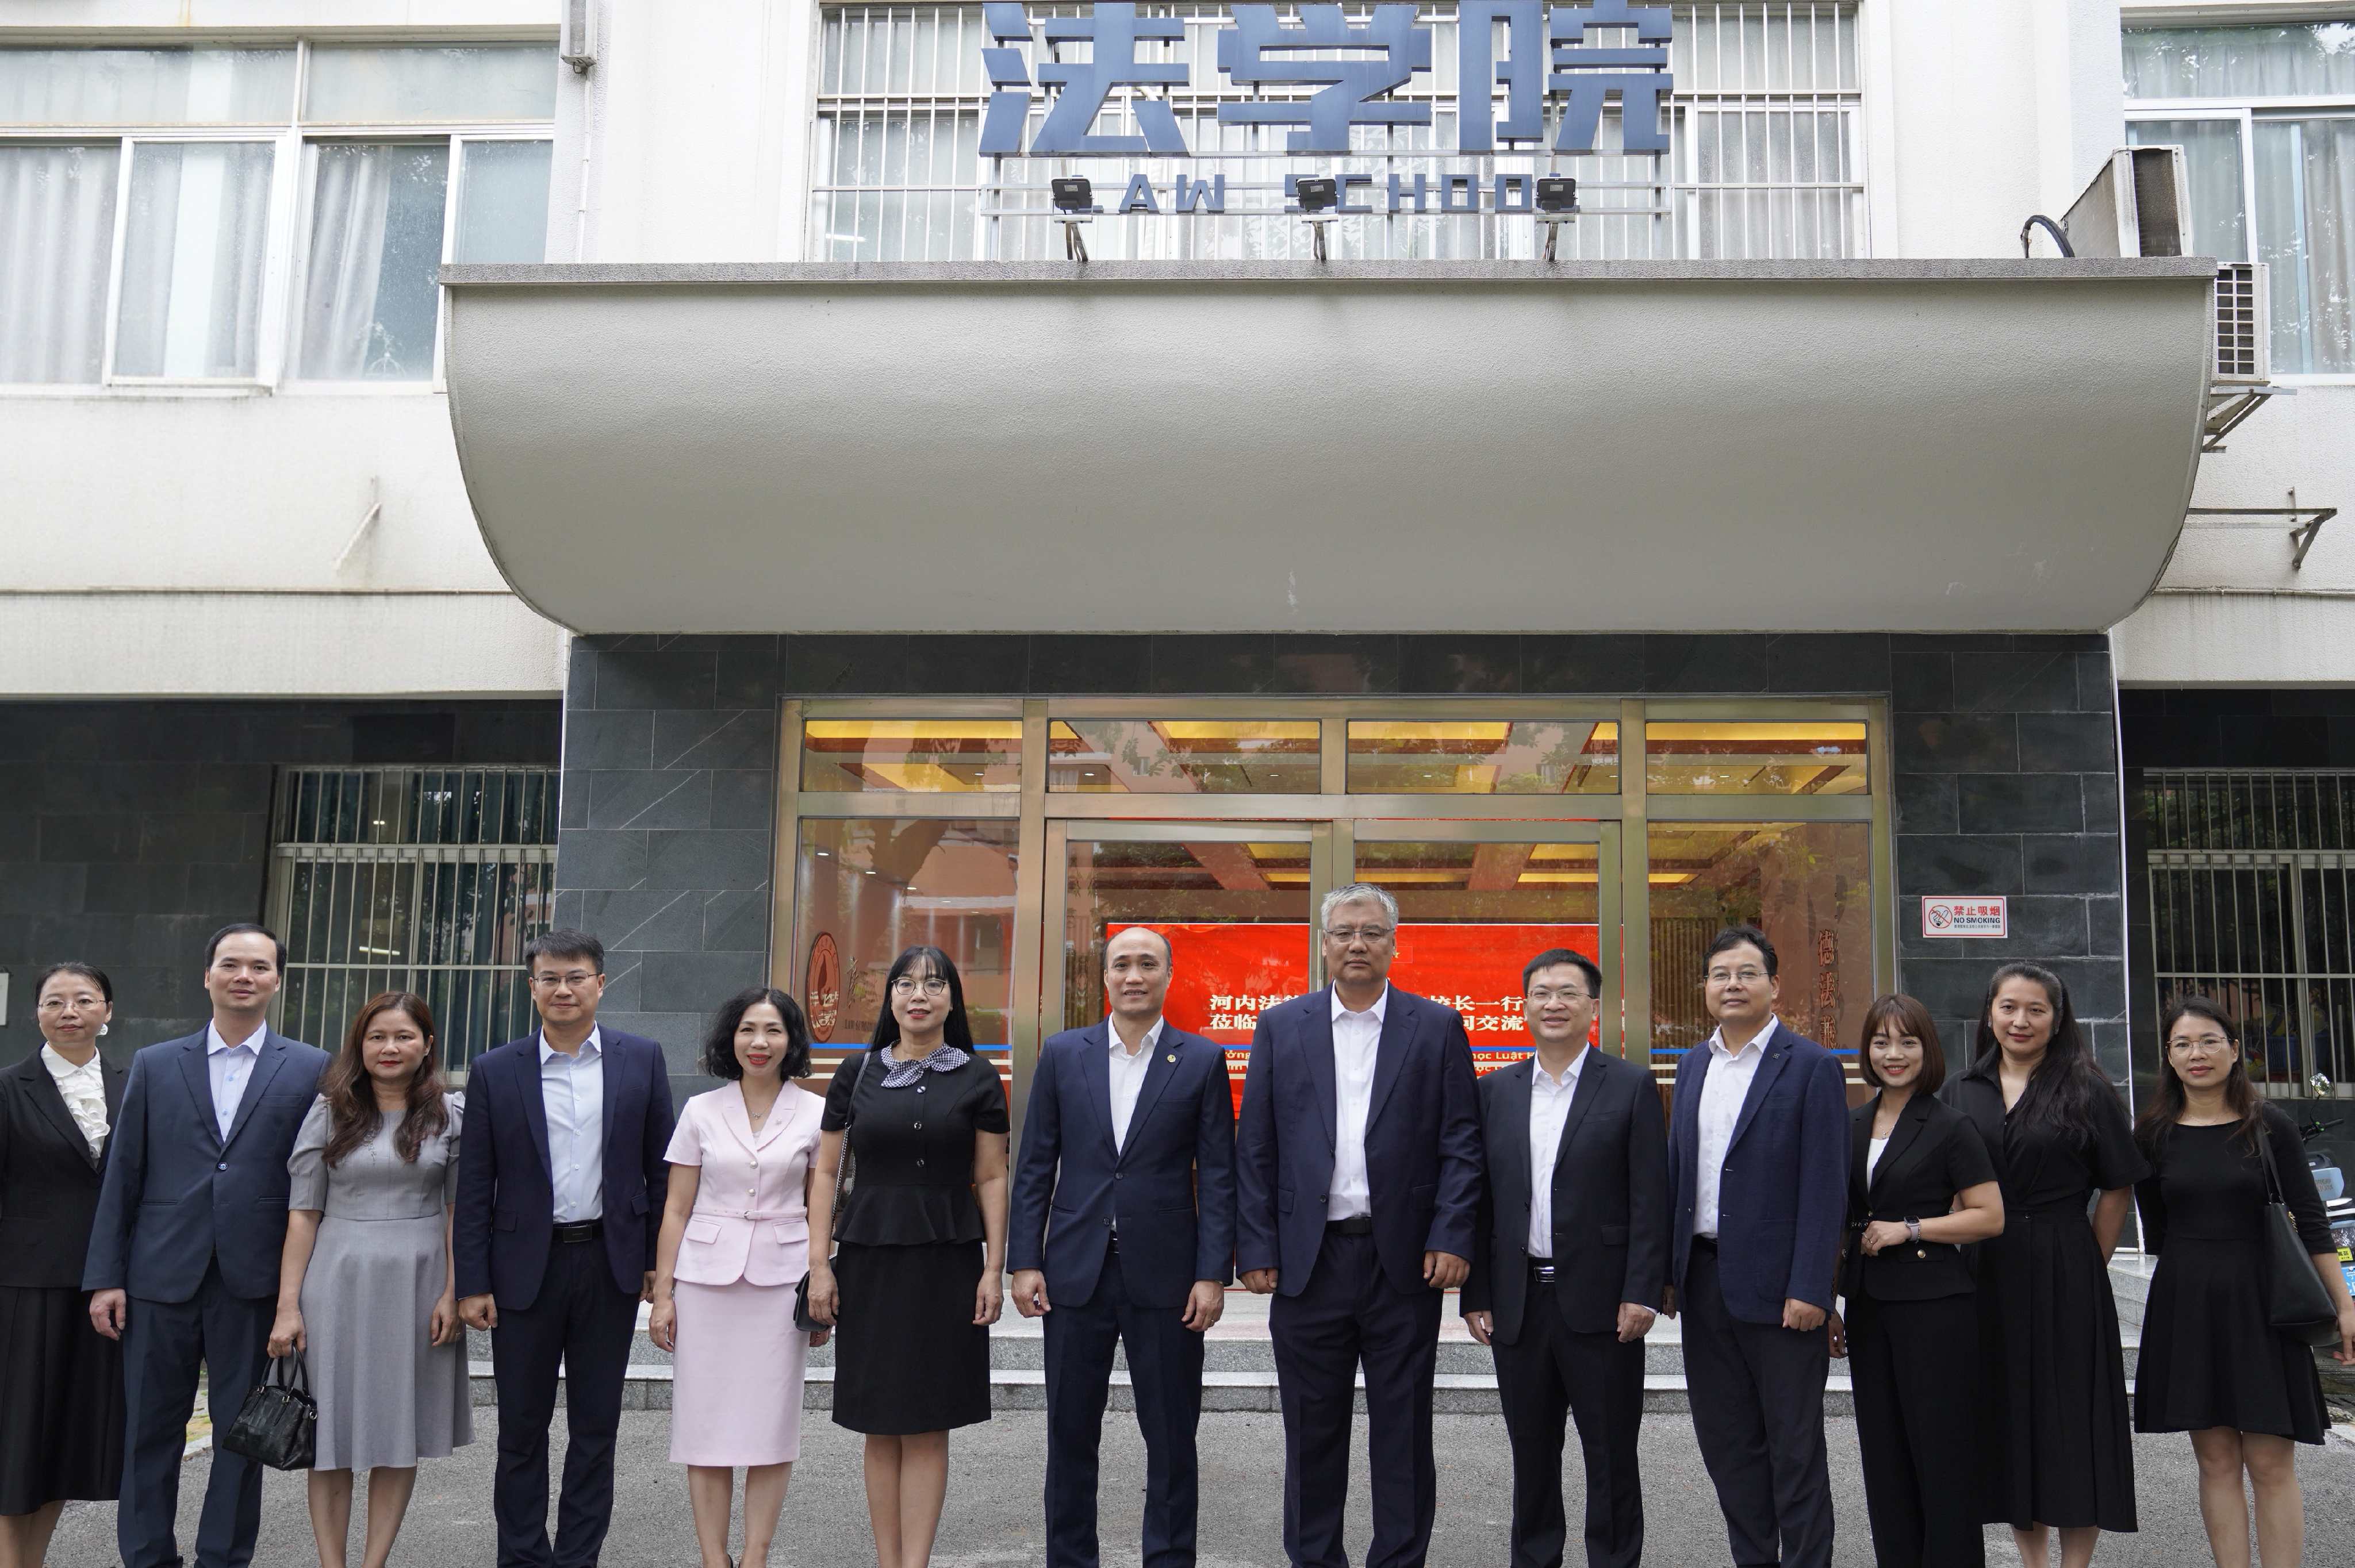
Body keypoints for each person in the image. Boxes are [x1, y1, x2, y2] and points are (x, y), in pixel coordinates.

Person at [1235, 883, 1481, 1568]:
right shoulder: (1281, 1026)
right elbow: (1255, 1145)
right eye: (1344, 932)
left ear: (1393, 944)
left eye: (1372, 932)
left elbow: (1461, 1141)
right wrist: (1255, 1244)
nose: (1357, 944)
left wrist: (1451, 1233)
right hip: (1307, 1262)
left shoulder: (1435, 1026)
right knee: (1311, 1430)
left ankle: (1398, 1559)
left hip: (1402, 1261)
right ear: (1323, 944)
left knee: (1403, 1430)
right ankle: (1315, 1558)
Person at [83, 924, 331, 1568]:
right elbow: (123, 1174)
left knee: (241, 1437)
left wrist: (299, 1293)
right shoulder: (156, 1062)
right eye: (230, 964)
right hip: (158, 1276)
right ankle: (147, 1557)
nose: (243, 976)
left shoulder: (311, 1067)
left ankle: (223, 1557)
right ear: (208, 975)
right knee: (148, 1432)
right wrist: (106, 1276)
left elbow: (317, 1183)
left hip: (253, 1279)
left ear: (277, 980)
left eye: (259, 966)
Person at [1009, 925, 1238, 1568]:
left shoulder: (1201, 1059)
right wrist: (1024, 1260)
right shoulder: (1063, 1054)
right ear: (1104, 976)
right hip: (1073, 1272)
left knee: (1171, 1436)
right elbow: (1035, 1164)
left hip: (1168, 1277)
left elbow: (1219, 1174)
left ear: (1169, 975)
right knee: (1069, 1433)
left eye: (1147, 964)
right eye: (1121, 964)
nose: (1134, 975)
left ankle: (1169, 1558)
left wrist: (1212, 1272)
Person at [454, 930, 675, 1568]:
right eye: (549, 978)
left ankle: (579, 1558)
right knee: (521, 1430)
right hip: (524, 1269)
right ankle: (524, 1557)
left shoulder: (641, 1059)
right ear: (532, 988)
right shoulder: (496, 1069)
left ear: (600, 984)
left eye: (576, 977)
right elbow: (475, 1186)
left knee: (595, 1428)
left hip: (610, 1264)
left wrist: (658, 1264)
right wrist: (472, 1281)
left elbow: (661, 1171)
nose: (563, 989)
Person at [2131, 997, 2355, 1568]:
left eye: (2210, 1041)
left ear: (2234, 1050)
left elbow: (2311, 1220)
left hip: (2263, 1302)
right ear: (2168, 1056)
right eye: (2183, 1043)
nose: (2197, 1053)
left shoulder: (2269, 1124)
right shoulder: (2152, 1133)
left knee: (2271, 1463)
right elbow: (2157, 1227)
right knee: (2216, 1462)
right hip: (2188, 1303)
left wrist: (2345, 1306)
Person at [804, 946, 1010, 1568]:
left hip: (947, 1261)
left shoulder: (978, 1076)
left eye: (933, 984)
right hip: (869, 1258)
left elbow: (991, 1176)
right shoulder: (857, 1072)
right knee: (879, 1418)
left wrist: (993, 1269)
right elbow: (825, 1171)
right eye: (905, 984)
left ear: (952, 999)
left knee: (928, 1418)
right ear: (890, 997)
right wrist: (819, 1263)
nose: (919, 995)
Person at [1462, 948, 1666, 1568]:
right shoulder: (1494, 1091)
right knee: (1531, 1455)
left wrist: (1642, 1290)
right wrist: (1477, 1293)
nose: (1554, 1004)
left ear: (1593, 1006)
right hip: (1519, 1303)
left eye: (1568, 993)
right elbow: (1481, 1201)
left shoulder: (1629, 1085)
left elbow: (1650, 1197)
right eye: (1541, 993)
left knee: (1611, 1455)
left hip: (1604, 1305)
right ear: (1524, 1006)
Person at [1943, 962, 2146, 1568]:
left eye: (2036, 1009)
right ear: (1989, 1014)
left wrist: (2089, 1259)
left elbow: (2118, 1185)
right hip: (1986, 1269)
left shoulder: (2087, 1089)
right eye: (2008, 1007)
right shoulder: (1961, 1090)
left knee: (2072, 1422)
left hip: (2065, 1265)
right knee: (2008, 1417)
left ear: (2057, 1020)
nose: (2020, 1020)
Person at [1660, 924, 1847, 1568]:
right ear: (1705, 987)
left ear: (1774, 985)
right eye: (1720, 974)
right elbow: (1680, 1174)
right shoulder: (1694, 1065)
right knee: (1728, 1447)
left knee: (1794, 1449)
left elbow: (1825, 1187)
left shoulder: (1812, 1066)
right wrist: (1668, 1272)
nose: (1732, 984)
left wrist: (1813, 1287)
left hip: (1782, 1293)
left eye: (1746, 973)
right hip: (1704, 1283)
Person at [269, 992, 473, 1568]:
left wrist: (453, 1292)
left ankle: (373, 1562)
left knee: (397, 1430)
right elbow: (303, 1215)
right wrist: (288, 1306)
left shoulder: (451, 1115)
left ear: (427, 1045)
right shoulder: (329, 1111)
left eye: (404, 1036)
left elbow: (459, 1213)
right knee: (328, 1437)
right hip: (335, 1282)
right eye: (377, 1036)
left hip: (420, 1285)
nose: (390, 1047)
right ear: (359, 1045)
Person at [647, 987, 829, 1568]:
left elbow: (821, 1207)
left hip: (781, 1283)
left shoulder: (817, 1113)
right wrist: (664, 1294)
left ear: (791, 1041)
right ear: (732, 1038)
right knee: (704, 1426)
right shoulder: (700, 1111)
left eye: (773, 1030)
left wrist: (822, 1283)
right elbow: (676, 1208)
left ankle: (755, 1556)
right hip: (705, 1281)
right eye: (749, 1029)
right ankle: (712, 1558)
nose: (759, 1042)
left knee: (771, 1426)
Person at [1831, 995, 2004, 1568]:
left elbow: (1989, 1216)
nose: (1893, 1053)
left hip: (1935, 1308)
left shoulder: (1950, 1125)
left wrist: (1911, 1228)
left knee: (1942, 1455)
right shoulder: (1851, 1124)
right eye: (1881, 1042)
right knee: (1885, 1457)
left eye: (1907, 1041)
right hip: (1869, 1308)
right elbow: (1839, 1222)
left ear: (1927, 1049)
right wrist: (1829, 1302)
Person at [0, 964, 126, 1568]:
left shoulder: (134, 1084)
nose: (69, 1011)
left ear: (108, 1011)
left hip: (107, 1287)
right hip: (25, 1285)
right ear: (37, 1014)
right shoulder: (8, 1088)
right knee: (19, 1440)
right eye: (55, 1001)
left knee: (67, 1442)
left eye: (84, 999)